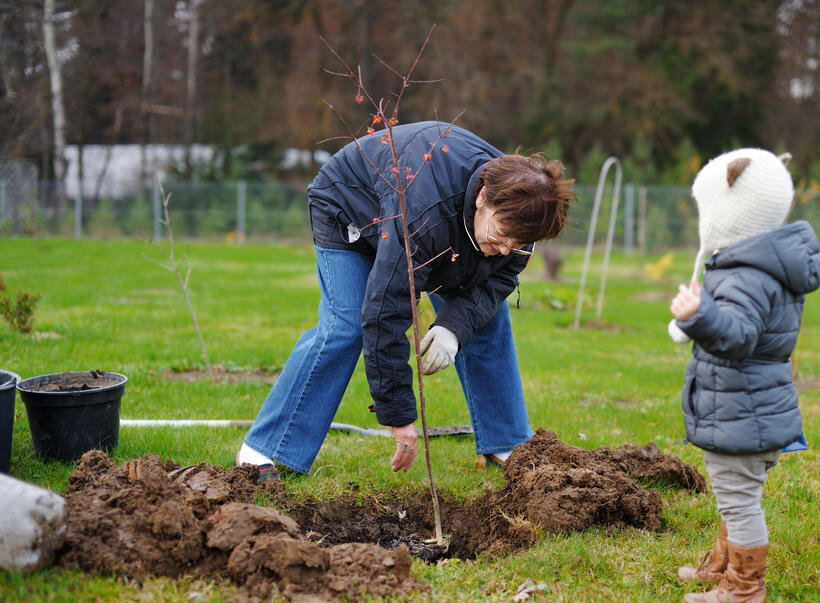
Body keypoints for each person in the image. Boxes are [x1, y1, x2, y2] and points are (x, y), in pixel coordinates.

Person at [236, 121, 575, 481]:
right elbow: (386, 309)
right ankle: (264, 450)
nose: (506, 249)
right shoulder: (423, 211)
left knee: (488, 321)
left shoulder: (523, 219)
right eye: (502, 235)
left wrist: (453, 329)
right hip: (350, 207)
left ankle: (506, 446)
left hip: (444, 226)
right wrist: (399, 418)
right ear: (482, 198)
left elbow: (499, 279)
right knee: (346, 326)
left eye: (517, 244)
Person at [668, 147, 820, 603]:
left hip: (743, 410)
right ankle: (723, 563)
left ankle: (744, 587)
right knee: (733, 491)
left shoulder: (746, 277)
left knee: (739, 500)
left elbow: (737, 337)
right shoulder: (759, 267)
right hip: (750, 406)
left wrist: (700, 315)